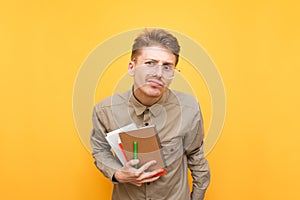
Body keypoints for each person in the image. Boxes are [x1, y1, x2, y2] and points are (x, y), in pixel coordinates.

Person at [90, 28, 210, 200]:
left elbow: (196, 156)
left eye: (167, 67)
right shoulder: (105, 110)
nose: (158, 74)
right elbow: (100, 150)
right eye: (150, 63)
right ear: (132, 67)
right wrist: (117, 173)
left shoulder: (189, 108)